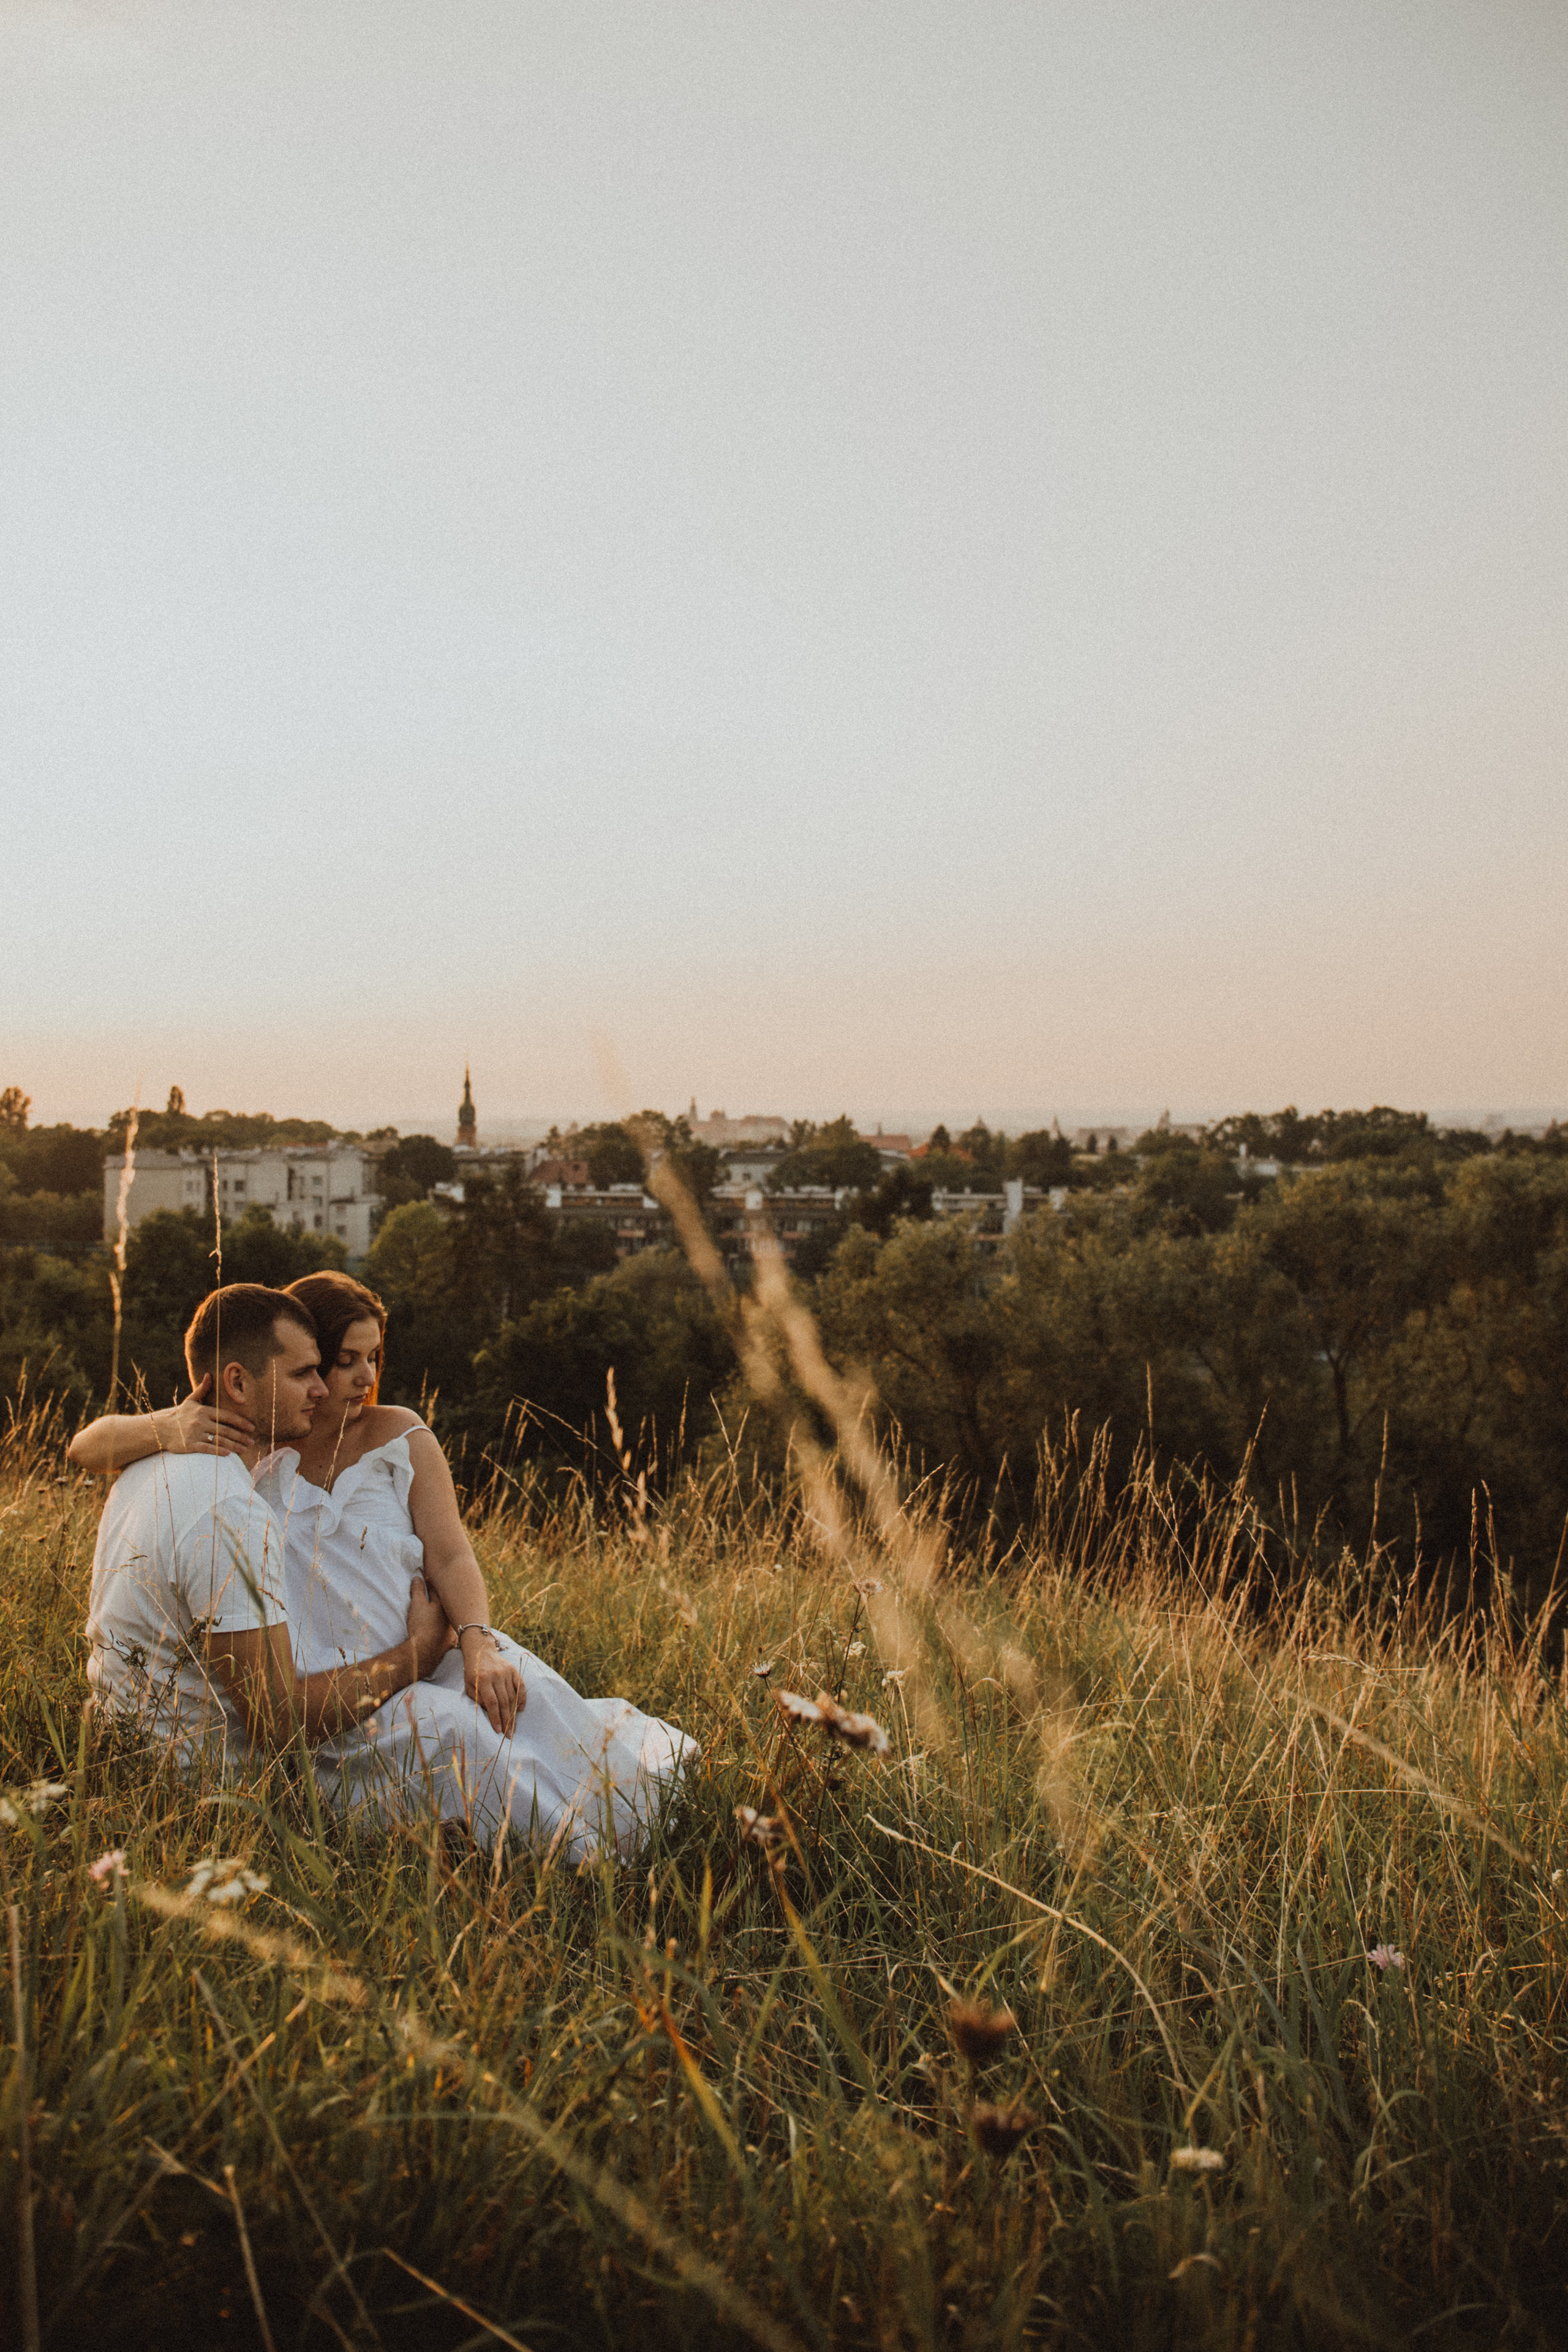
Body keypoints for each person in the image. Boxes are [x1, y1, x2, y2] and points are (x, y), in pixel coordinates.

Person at [71, 1271, 696, 1860]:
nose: (361, 1377)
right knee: (467, 1744)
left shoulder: (397, 1433)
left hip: (433, 1643)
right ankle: (582, 1857)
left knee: (539, 1711)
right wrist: (167, 1422)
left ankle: (634, 1820)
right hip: (338, 1676)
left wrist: (475, 1641)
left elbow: (450, 1553)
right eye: (339, 1362)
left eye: (374, 1358)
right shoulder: (257, 1446)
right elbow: (88, 1446)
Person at [82, 1284, 454, 1769]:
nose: (320, 1389)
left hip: (122, 1745)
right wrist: (418, 1654)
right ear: (238, 1384)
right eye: (304, 1374)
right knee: (464, 1741)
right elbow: (279, 1721)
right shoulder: (231, 1510)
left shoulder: (148, 1458)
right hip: (205, 1785)